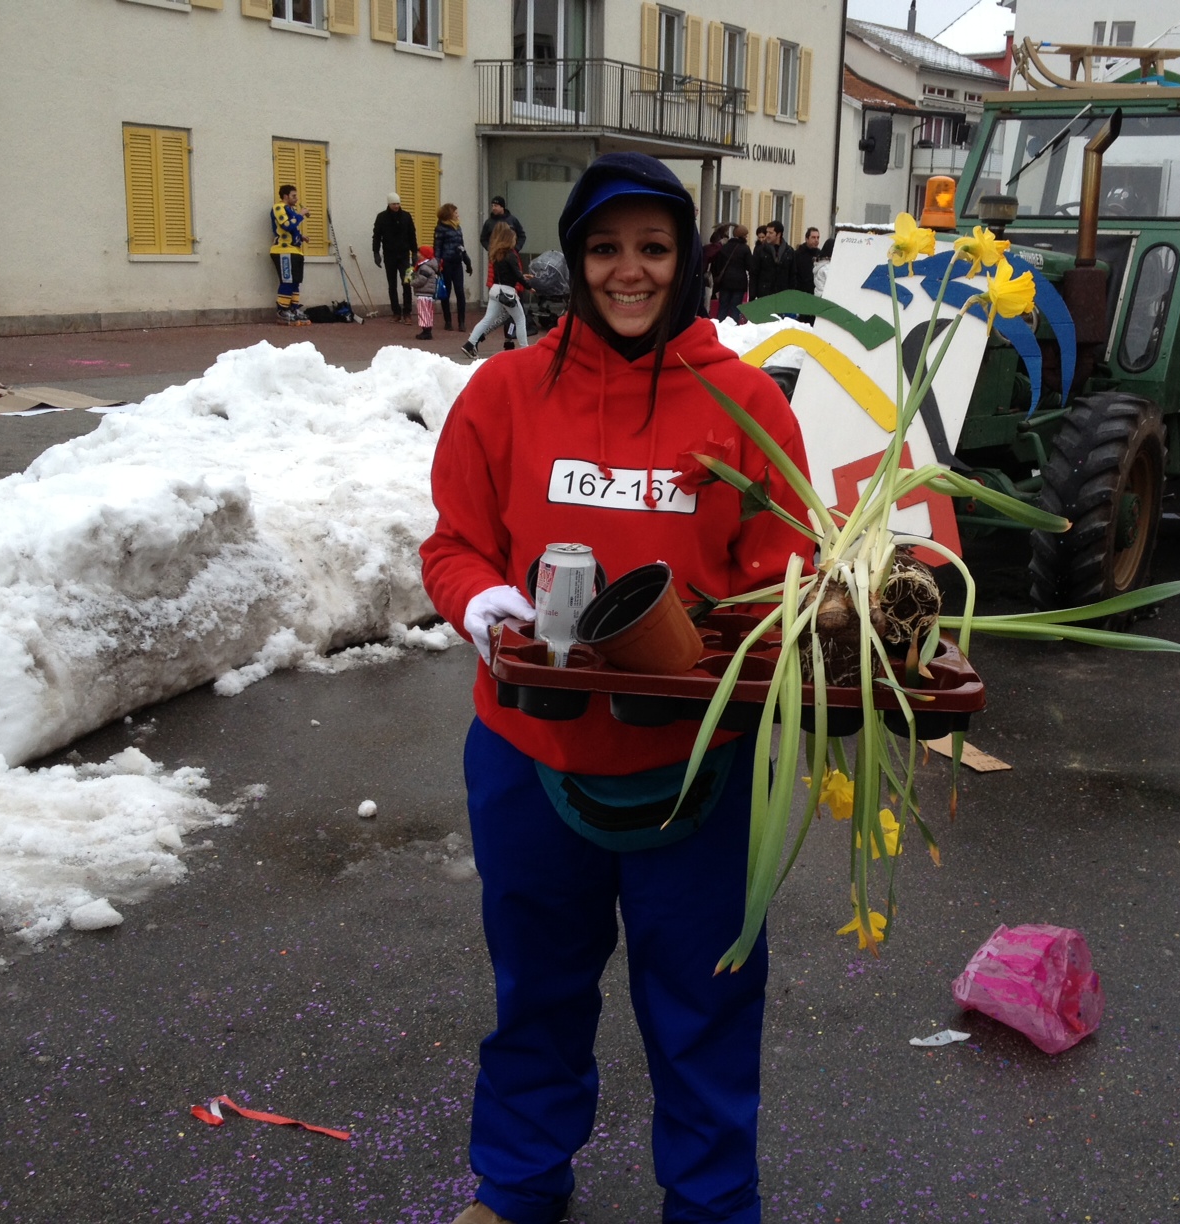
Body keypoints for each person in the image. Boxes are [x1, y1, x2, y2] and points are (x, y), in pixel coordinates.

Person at [420, 150, 812, 1224]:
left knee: (706, 1003)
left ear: (686, 258)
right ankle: (518, 1186)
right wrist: (482, 602)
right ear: (575, 258)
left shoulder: (745, 403)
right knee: (536, 990)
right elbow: (453, 543)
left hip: (700, 767)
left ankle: (712, 1205)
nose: (628, 271)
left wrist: (805, 617)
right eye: (604, 248)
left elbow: (789, 566)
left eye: (652, 248)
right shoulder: (506, 392)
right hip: (531, 754)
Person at [460, 221, 529, 358]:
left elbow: (507, 273)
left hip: (495, 290)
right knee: (520, 319)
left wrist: (521, 278)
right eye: (514, 238)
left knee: (487, 319)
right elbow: (516, 274)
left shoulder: (496, 253)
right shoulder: (511, 255)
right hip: (507, 292)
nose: (515, 241)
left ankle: (470, 344)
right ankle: (525, 349)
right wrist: (529, 286)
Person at [372, 192, 419, 322]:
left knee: (407, 282)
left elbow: (412, 235)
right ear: (389, 204)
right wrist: (376, 252)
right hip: (389, 256)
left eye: (398, 203)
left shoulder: (407, 216)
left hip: (405, 256)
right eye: (394, 204)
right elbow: (376, 236)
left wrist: (415, 253)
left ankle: (407, 313)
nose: (396, 206)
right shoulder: (381, 217)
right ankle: (396, 312)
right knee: (392, 285)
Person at [269, 184, 309, 325]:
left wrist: (301, 237)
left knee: (296, 281)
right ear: (285, 196)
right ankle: (282, 310)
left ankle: (294, 308)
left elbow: (292, 230)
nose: (296, 198)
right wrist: (301, 215)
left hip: (295, 250)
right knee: (287, 280)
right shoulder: (278, 207)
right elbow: (286, 226)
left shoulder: (291, 210)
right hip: (283, 250)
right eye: (293, 196)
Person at [435, 203, 475, 333]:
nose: (457, 214)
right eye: (455, 212)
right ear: (449, 214)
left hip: (457, 263)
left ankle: (461, 322)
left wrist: (467, 261)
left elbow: (461, 246)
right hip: (446, 264)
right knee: (446, 293)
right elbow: (437, 247)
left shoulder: (458, 227)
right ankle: (448, 321)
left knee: (460, 292)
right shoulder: (440, 228)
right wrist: (437, 264)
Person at [709, 223, 751, 325]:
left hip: (724, 283)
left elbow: (718, 265)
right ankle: (734, 327)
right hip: (739, 283)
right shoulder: (745, 248)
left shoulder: (724, 247)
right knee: (735, 308)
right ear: (742, 236)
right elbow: (749, 266)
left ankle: (720, 327)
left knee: (723, 307)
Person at [749, 219, 793, 302]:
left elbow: (792, 274)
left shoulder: (789, 251)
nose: (767, 235)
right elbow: (754, 273)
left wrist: (791, 294)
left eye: (770, 233)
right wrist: (752, 295)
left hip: (782, 294)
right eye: (767, 232)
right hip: (764, 294)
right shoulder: (760, 250)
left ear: (778, 234)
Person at [410, 245, 440, 340]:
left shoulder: (424, 267)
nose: (418, 254)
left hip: (424, 294)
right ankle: (427, 331)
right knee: (428, 313)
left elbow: (421, 280)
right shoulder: (429, 266)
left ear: (424, 255)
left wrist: (412, 282)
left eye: (420, 253)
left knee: (423, 313)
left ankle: (426, 332)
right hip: (428, 294)